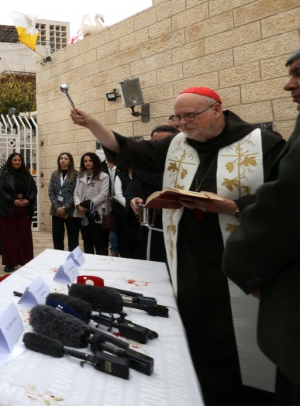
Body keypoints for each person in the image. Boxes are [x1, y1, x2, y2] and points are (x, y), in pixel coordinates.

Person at [70, 86, 285, 405]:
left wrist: (234, 206)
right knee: (196, 330)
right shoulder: (175, 145)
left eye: (190, 115)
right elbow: (128, 149)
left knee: (237, 337)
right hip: (188, 258)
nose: (183, 123)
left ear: (216, 110)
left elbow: (285, 198)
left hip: (240, 260)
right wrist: (92, 124)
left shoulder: (263, 143)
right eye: (178, 117)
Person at [223, 49, 300, 405]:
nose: (289, 85)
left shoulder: (264, 144)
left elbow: (285, 201)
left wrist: (245, 267)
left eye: (298, 74)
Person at [128, 124, 179, 262]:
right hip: (153, 229)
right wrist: (134, 198)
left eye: (165, 142)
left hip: (182, 230)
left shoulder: (188, 166)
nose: (160, 146)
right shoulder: (144, 167)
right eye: (155, 142)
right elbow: (133, 189)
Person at [0, 152, 37, 272]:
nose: (17, 162)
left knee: (24, 237)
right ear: (10, 161)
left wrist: (28, 200)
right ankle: (10, 263)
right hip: (8, 210)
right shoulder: (3, 175)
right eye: (15, 160)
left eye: (19, 160)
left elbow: (34, 190)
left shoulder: (27, 175)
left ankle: (26, 261)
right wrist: (12, 201)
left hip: (24, 209)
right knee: (9, 237)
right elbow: (0, 190)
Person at [73, 152, 110, 255]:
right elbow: (75, 193)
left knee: (100, 244)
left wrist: (87, 206)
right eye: (85, 161)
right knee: (87, 243)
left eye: (90, 160)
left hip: (97, 213)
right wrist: (78, 205)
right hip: (83, 214)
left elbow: (103, 194)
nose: (88, 163)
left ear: (95, 162)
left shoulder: (104, 176)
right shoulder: (80, 176)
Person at [47, 152, 80, 251]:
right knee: (57, 236)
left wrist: (65, 207)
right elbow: (51, 191)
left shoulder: (76, 174)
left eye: (66, 159)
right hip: (56, 210)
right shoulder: (54, 174)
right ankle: (59, 256)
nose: (63, 160)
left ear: (70, 161)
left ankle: (72, 258)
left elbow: (76, 192)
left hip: (70, 211)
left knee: (73, 237)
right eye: (61, 158)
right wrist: (57, 207)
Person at [113, 167, 141, 259]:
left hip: (140, 213)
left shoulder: (140, 176)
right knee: (126, 241)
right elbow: (118, 195)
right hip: (125, 214)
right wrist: (131, 206)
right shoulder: (120, 176)